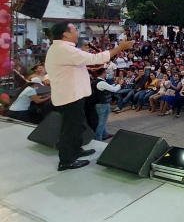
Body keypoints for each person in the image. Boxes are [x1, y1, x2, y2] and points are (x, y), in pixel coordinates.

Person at [45, 21, 133, 171]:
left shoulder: (61, 49)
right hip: (69, 97)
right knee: (70, 129)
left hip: (73, 96)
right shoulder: (64, 49)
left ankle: (76, 150)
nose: (77, 32)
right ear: (65, 34)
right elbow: (95, 59)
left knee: (77, 126)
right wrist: (120, 48)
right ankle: (66, 161)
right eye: (75, 30)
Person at [92, 68, 120, 141]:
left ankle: (105, 134)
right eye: (106, 73)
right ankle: (98, 138)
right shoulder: (101, 83)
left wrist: (115, 84)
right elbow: (113, 89)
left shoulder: (98, 81)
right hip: (103, 104)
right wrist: (120, 84)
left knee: (102, 121)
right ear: (103, 73)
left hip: (100, 104)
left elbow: (109, 86)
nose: (106, 74)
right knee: (101, 122)